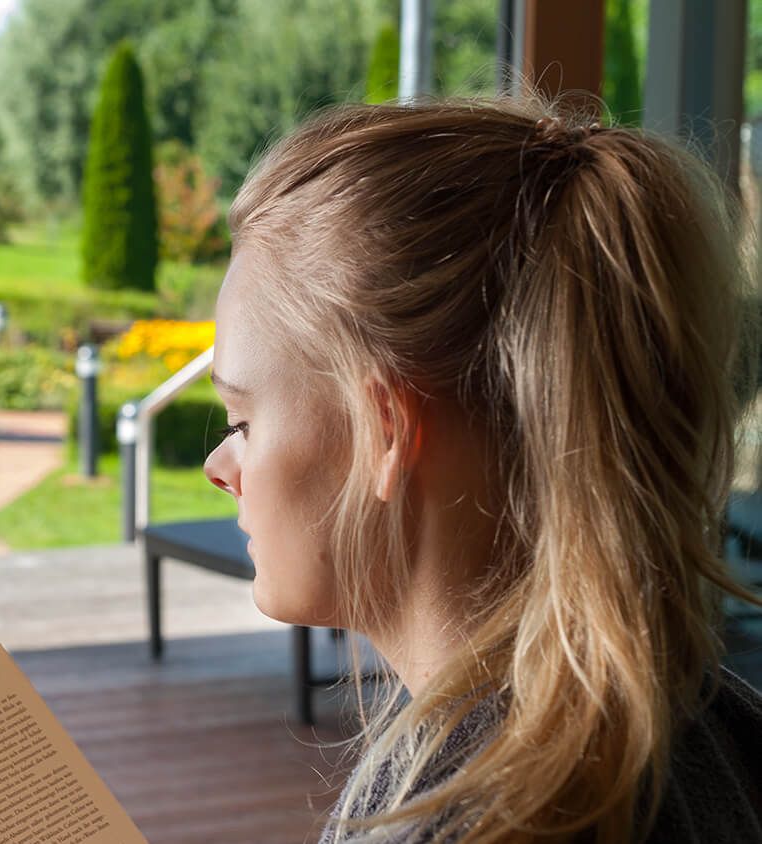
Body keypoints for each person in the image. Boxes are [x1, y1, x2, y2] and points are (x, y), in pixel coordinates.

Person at [202, 97, 762, 842]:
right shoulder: (712, 720)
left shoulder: (484, 818)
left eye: (242, 421)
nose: (219, 464)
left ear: (385, 429)